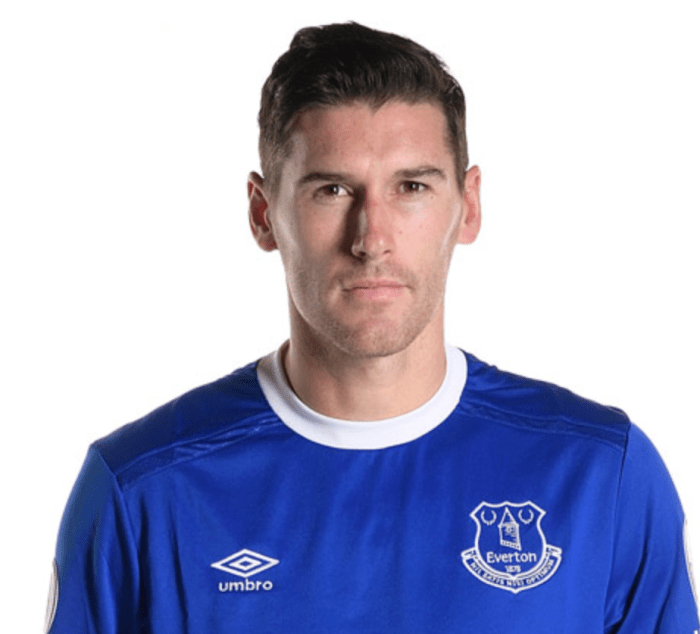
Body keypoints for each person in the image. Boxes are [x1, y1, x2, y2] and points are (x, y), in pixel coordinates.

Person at [46, 22, 699, 634]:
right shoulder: (143, 492)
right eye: (331, 190)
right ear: (263, 214)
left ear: (468, 206)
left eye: (411, 187)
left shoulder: (600, 477)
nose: (372, 238)